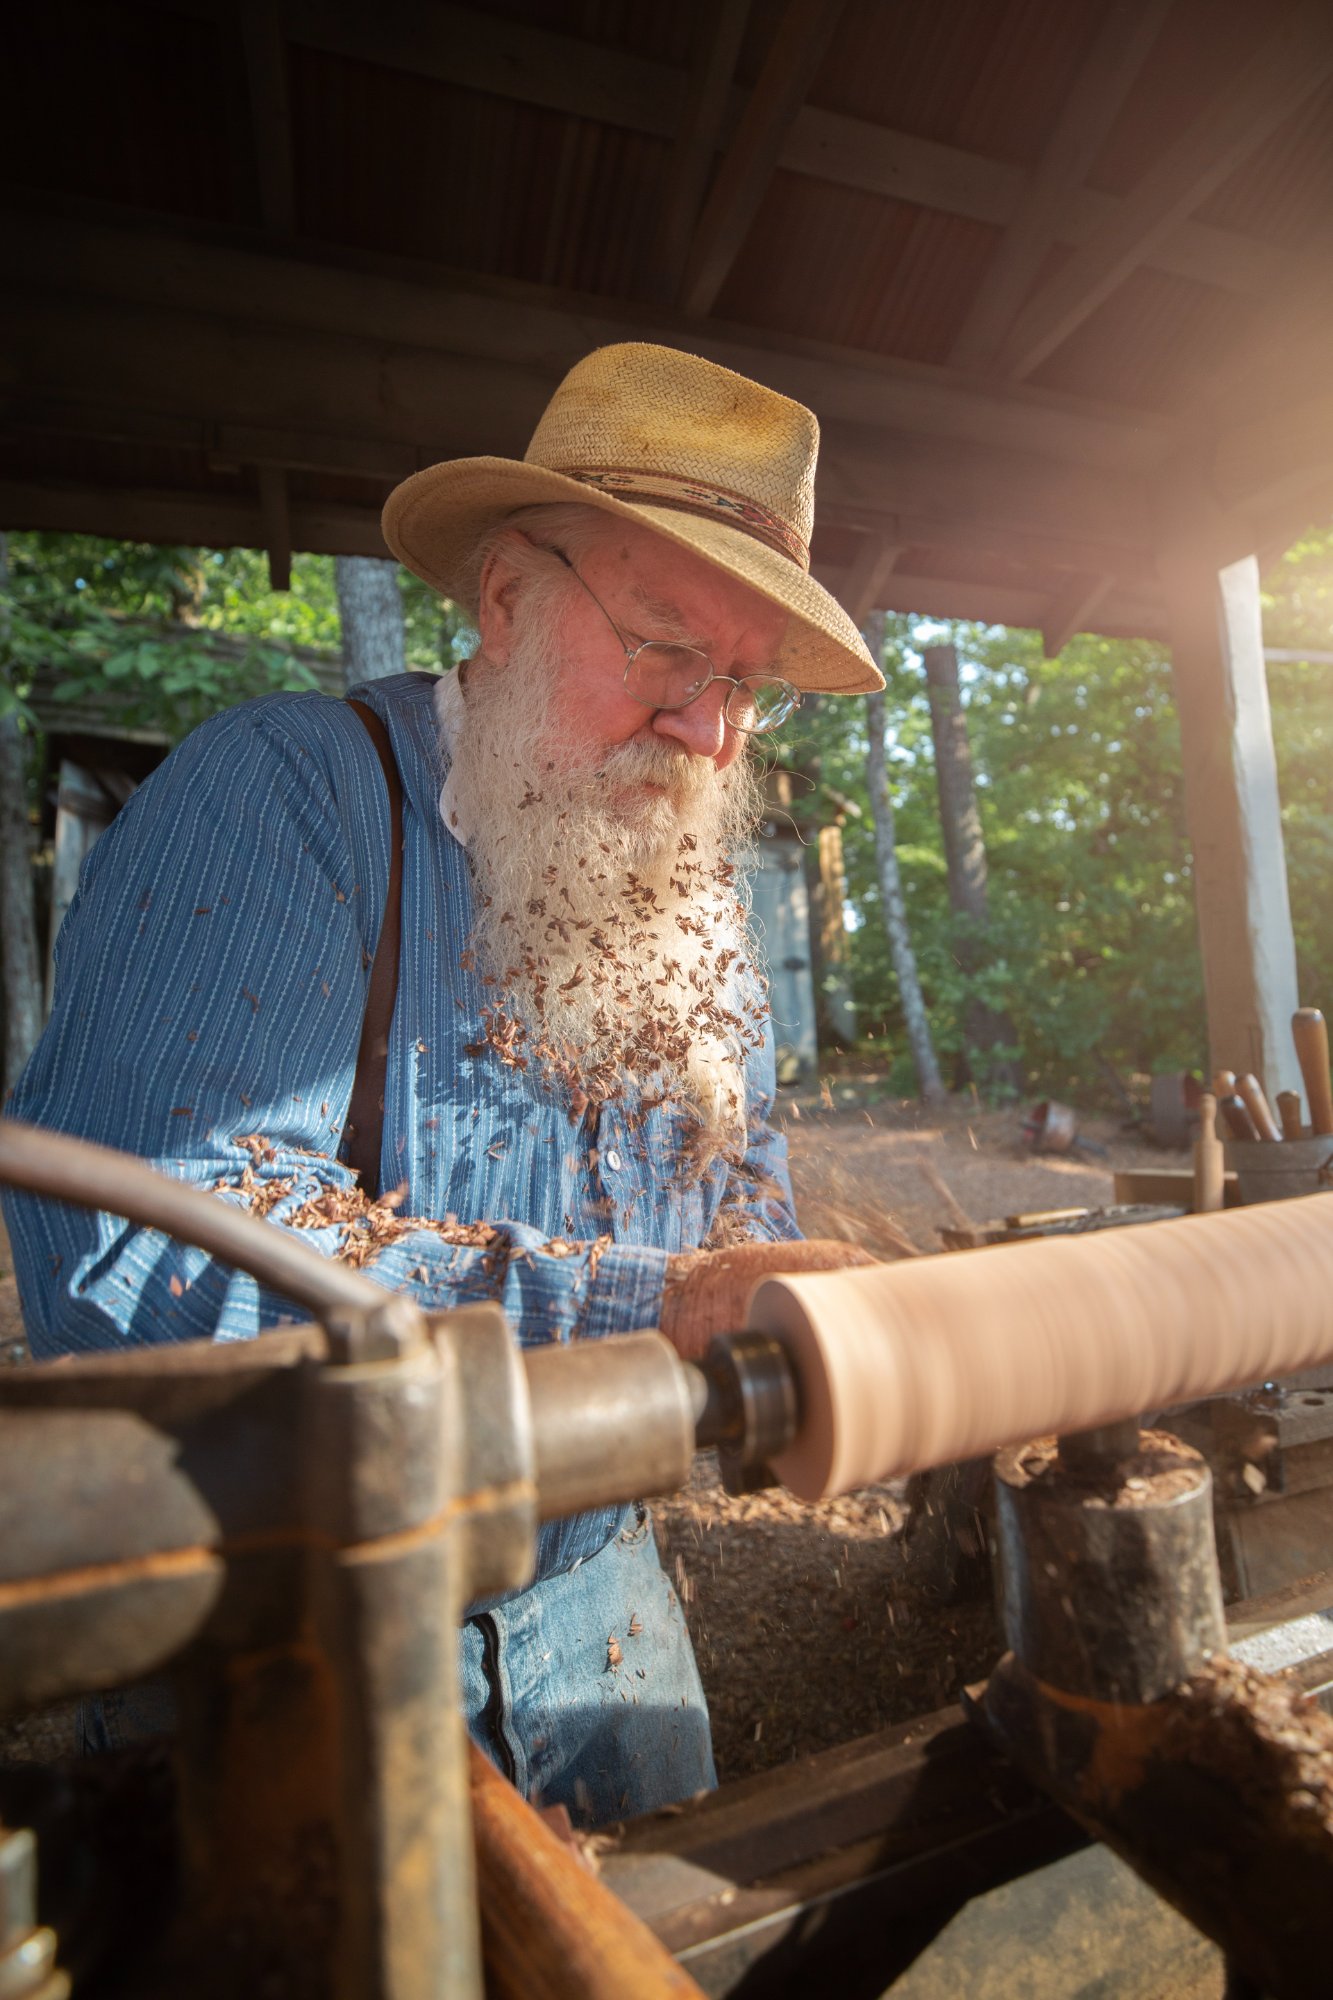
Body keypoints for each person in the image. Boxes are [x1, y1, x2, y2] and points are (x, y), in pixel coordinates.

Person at [3, 342, 884, 1822]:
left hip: (606, 1630)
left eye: (742, 683)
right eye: (669, 646)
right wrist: (659, 1313)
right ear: (505, 597)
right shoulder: (279, 797)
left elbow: (739, 1180)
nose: (710, 727)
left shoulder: (691, 892)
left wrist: (781, 1298)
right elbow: (134, 1261)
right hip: (291, 1651)